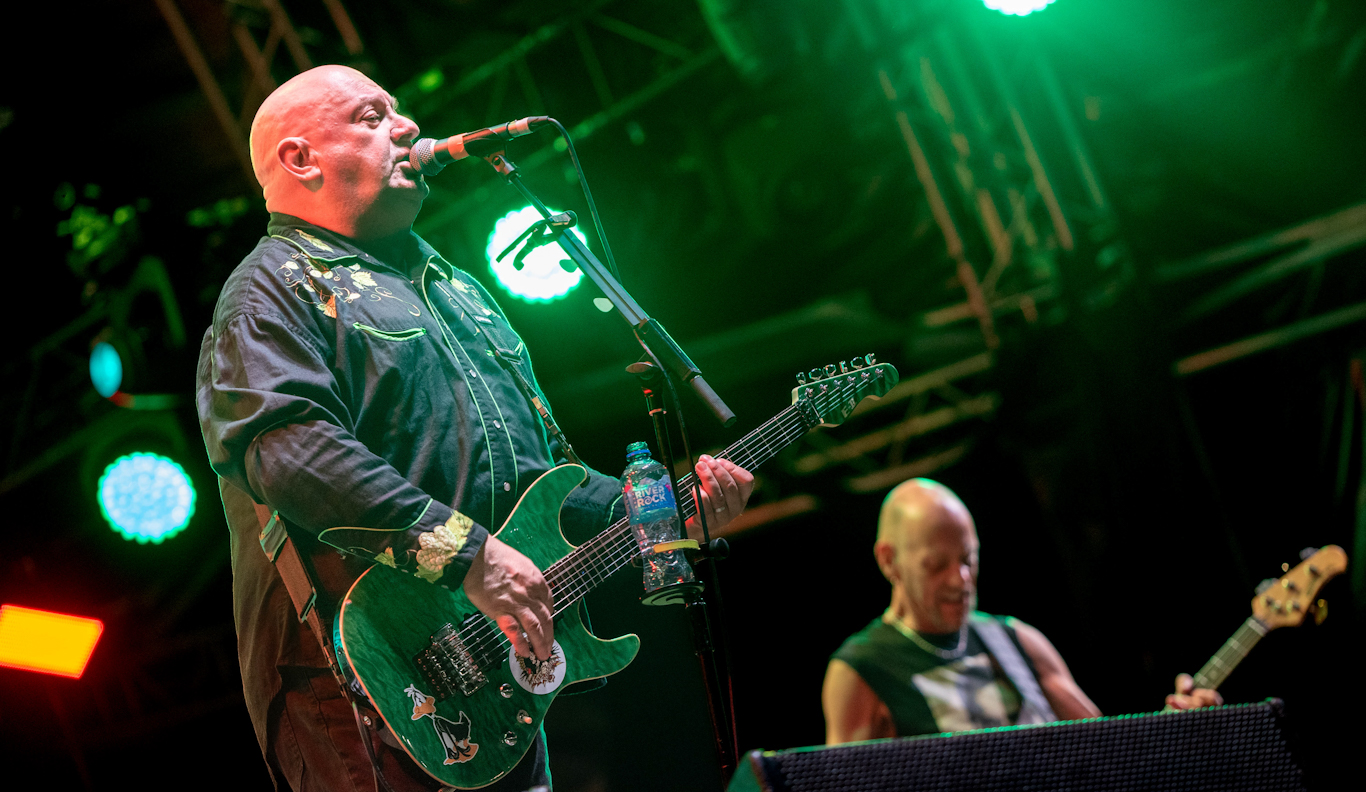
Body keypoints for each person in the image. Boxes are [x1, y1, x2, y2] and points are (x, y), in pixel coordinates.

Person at [196, 64, 753, 792]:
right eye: (372, 116)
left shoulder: (459, 289)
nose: (407, 128)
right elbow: (288, 450)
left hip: (489, 677)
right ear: (301, 158)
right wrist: (473, 558)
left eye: (399, 113)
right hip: (361, 675)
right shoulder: (269, 289)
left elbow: (543, 472)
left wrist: (653, 510)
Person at [822, 478, 1218, 744]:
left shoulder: (1016, 639)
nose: (960, 581)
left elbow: (1109, 749)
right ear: (889, 561)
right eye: (936, 565)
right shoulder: (862, 669)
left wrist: (1178, 731)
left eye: (968, 559)